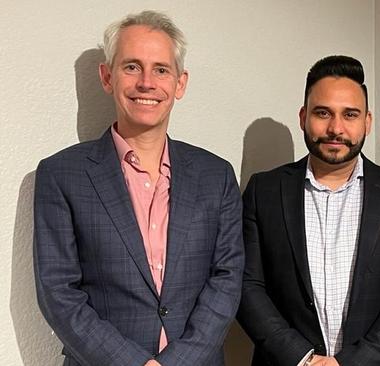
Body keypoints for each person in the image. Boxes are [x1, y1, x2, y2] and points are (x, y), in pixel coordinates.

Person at [33, 11, 243, 366]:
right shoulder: (61, 174)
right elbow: (58, 292)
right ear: (106, 76)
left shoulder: (217, 175)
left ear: (180, 83)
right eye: (132, 66)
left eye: (161, 69)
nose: (147, 82)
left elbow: (228, 277)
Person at [237, 55, 380, 365]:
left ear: (367, 122)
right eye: (323, 113)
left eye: (350, 114)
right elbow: (248, 286)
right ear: (303, 117)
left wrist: (350, 362)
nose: (335, 128)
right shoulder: (264, 191)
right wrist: (302, 358)